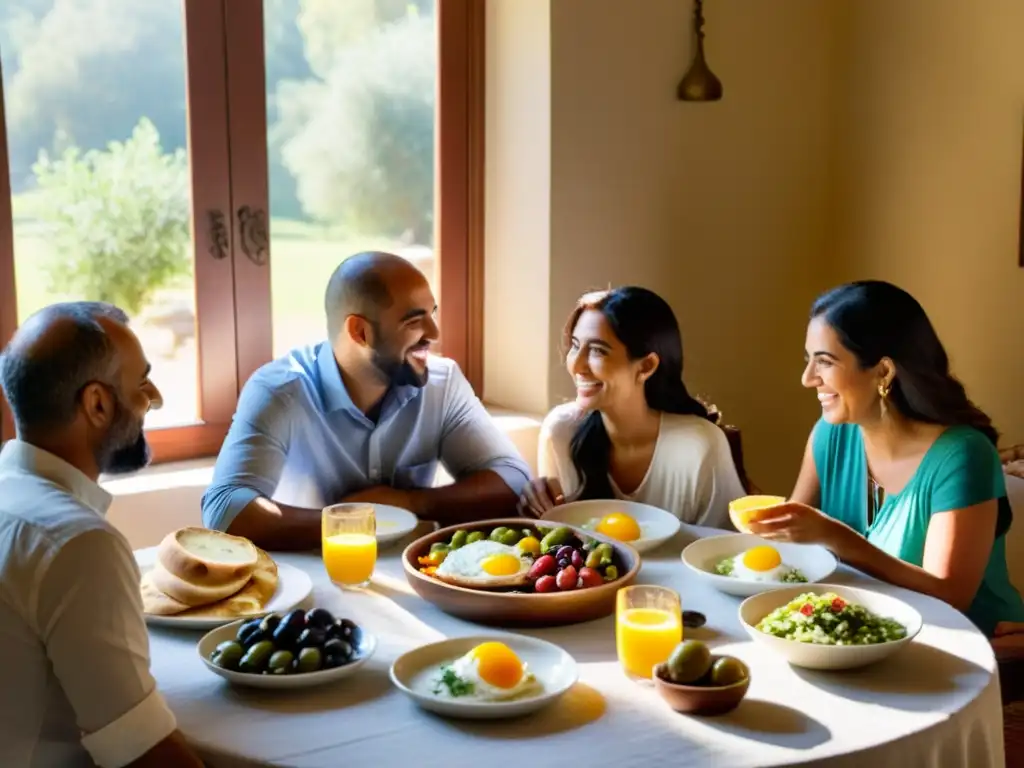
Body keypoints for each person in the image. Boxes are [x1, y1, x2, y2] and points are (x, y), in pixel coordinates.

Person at [748, 280, 1024, 638]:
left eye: (825, 362)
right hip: (859, 637)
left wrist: (838, 538)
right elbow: (789, 546)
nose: (807, 379)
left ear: (883, 372)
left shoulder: (963, 456)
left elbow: (950, 595)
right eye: (808, 360)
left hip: (969, 646)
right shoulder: (830, 434)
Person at [202, 252, 531, 550]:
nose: (435, 332)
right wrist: (353, 523)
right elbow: (225, 509)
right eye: (414, 321)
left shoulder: (442, 384)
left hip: (414, 579)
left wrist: (408, 503)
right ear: (359, 331)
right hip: (308, 589)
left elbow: (514, 480)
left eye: (432, 314)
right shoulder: (280, 391)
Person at [0, 302, 203, 767]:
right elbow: (144, 754)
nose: (155, 398)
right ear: (96, 404)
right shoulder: (77, 543)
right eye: (141, 383)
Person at [518, 287, 746, 527]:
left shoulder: (698, 446)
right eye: (575, 346)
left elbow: (725, 552)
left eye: (597, 350)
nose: (577, 365)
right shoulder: (561, 432)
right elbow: (558, 543)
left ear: (646, 366)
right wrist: (537, 507)